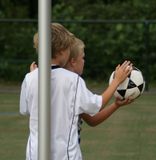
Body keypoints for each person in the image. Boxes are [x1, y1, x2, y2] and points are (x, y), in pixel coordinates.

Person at [20, 22, 132, 160]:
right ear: (62, 51)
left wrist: (115, 105)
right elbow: (97, 105)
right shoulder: (73, 80)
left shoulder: (30, 78)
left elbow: (27, 109)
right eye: (83, 57)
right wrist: (116, 81)